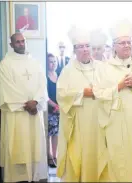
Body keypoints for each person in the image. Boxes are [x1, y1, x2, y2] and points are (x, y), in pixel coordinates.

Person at [93, 19, 132, 182]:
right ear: (114, 46)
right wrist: (118, 87)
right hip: (115, 122)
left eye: (129, 42)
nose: (126, 45)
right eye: (122, 43)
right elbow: (98, 93)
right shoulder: (104, 68)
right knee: (119, 160)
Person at [0, 32, 48, 182]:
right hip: (17, 115)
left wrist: (36, 101)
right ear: (11, 45)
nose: (21, 44)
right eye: (17, 42)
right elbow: (7, 89)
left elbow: (42, 84)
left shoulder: (35, 63)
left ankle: (36, 176)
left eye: (23, 41)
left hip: (34, 112)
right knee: (19, 146)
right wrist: (27, 104)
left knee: (34, 147)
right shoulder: (5, 65)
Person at [56, 26, 100, 182]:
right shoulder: (67, 71)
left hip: (98, 123)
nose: (85, 49)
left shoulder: (101, 68)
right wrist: (82, 93)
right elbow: (61, 95)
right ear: (74, 50)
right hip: (78, 124)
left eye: (87, 46)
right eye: (81, 47)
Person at [47, 53, 60, 168]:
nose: (53, 64)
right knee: (49, 134)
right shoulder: (45, 76)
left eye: (54, 61)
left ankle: (55, 156)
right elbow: (44, 95)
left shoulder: (59, 74)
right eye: (51, 62)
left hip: (59, 109)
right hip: (49, 109)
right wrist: (54, 105)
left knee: (56, 134)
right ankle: (49, 156)